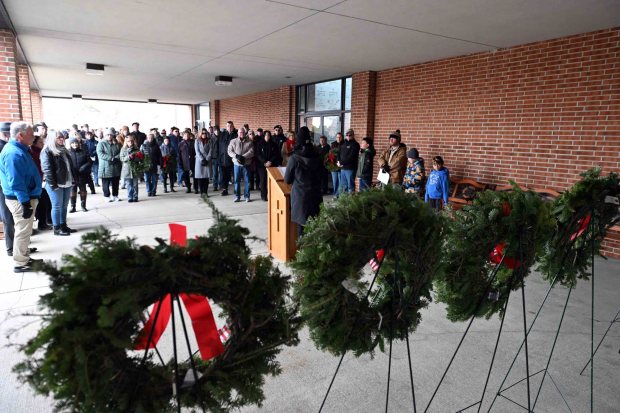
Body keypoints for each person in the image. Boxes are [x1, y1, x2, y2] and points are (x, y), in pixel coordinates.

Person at [0, 122, 42, 271]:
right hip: (20, 199)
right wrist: (25, 203)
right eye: (31, 134)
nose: (34, 137)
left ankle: (24, 256)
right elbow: (16, 182)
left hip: (24, 196)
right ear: (20, 136)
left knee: (25, 230)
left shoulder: (20, 149)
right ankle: (20, 263)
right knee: (23, 230)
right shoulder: (13, 153)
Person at [284, 126, 323, 238]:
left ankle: (303, 253)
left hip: (301, 196)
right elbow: (321, 175)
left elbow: (287, 180)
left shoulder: (294, 158)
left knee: (302, 228)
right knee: (315, 226)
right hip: (315, 195)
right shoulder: (317, 156)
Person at [41, 130, 75, 236]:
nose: (62, 139)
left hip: (67, 181)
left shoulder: (64, 149)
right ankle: (57, 228)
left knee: (64, 206)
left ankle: (63, 225)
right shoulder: (47, 151)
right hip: (55, 184)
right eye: (59, 137)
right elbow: (47, 169)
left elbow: (69, 166)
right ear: (52, 139)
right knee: (56, 206)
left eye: (62, 137)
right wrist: (53, 185)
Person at [30, 133, 52, 230]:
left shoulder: (41, 151)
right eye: (40, 142)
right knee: (42, 203)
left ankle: (46, 221)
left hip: (42, 180)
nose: (42, 144)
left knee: (46, 202)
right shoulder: (32, 153)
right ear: (34, 143)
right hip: (37, 182)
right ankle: (42, 223)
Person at [0, 122, 16, 256]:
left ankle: (17, 246)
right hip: (3, 188)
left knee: (13, 217)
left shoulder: (6, 145)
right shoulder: (3, 147)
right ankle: (11, 248)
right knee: (8, 218)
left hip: (8, 186)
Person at [227, 127, 254, 202]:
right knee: (236, 181)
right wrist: (236, 156)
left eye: (242, 132)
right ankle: (237, 196)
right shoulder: (233, 141)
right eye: (240, 132)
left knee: (247, 181)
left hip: (246, 164)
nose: (241, 134)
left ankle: (247, 196)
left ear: (245, 133)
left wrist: (243, 157)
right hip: (237, 164)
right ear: (237, 133)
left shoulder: (250, 141)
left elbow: (251, 152)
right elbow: (229, 151)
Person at [67, 137, 92, 212]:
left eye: (76, 143)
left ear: (78, 143)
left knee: (83, 190)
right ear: (70, 144)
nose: (75, 144)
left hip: (82, 174)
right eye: (73, 143)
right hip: (72, 175)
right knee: (73, 191)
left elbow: (90, 162)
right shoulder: (68, 153)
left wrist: (84, 167)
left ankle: (83, 206)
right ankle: (73, 206)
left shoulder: (83, 151)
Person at [97, 128, 123, 201]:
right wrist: (111, 158)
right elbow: (100, 154)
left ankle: (115, 195)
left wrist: (116, 158)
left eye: (110, 135)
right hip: (105, 166)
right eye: (107, 135)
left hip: (115, 166)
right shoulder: (101, 143)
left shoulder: (116, 143)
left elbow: (121, 152)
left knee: (115, 182)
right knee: (106, 183)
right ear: (105, 135)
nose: (109, 136)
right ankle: (107, 196)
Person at [255, 130, 281, 201]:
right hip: (262, 165)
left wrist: (270, 161)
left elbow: (276, 154)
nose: (267, 136)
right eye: (266, 135)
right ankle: (264, 196)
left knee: (272, 181)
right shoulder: (259, 144)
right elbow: (258, 154)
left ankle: (272, 195)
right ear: (264, 136)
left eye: (268, 135)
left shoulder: (274, 144)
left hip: (272, 164)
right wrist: (264, 162)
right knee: (263, 181)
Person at [337, 129, 360, 194]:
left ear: (353, 135)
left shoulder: (355, 144)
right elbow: (338, 153)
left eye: (350, 135)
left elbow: (351, 157)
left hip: (350, 168)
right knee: (343, 186)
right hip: (343, 168)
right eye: (347, 135)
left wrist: (341, 162)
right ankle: (344, 202)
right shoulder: (343, 143)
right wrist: (338, 161)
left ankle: (351, 202)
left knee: (350, 186)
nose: (348, 136)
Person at [120, 135, 140, 202]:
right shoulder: (123, 149)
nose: (130, 142)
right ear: (126, 142)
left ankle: (135, 197)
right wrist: (128, 157)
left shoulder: (136, 149)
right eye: (128, 141)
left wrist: (135, 158)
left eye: (131, 141)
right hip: (127, 169)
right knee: (129, 184)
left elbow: (140, 158)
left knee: (135, 184)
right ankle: (130, 197)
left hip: (135, 169)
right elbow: (121, 158)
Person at [219, 121, 236, 196]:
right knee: (224, 176)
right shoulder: (222, 135)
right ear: (226, 127)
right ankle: (225, 189)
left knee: (235, 175)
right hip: (224, 159)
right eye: (228, 126)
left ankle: (236, 189)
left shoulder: (236, 134)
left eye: (231, 126)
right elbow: (219, 146)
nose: (229, 127)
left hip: (233, 159)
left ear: (233, 126)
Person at [194, 129, 211, 195]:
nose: (204, 134)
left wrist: (207, 159)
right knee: (200, 177)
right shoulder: (197, 141)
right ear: (200, 134)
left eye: (205, 133)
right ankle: (201, 193)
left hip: (207, 160)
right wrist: (202, 159)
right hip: (199, 161)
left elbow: (211, 151)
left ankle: (205, 192)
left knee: (206, 178)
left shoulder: (209, 140)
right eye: (203, 133)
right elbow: (197, 151)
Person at [208, 125, 220, 191]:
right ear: (213, 131)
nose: (217, 131)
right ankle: (215, 186)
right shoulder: (211, 138)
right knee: (215, 173)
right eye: (215, 130)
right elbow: (211, 148)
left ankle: (221, 184)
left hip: (220, 157)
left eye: (218, 130)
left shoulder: (221, 137)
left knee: (221, 172)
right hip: (214, 158)